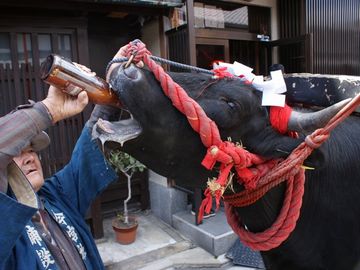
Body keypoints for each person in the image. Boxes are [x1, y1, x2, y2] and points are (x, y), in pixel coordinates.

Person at [0, 49, 126, 269]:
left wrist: (112, 78)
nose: (29, 158)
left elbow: (89, 151)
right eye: (17, 153)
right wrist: (51, 109)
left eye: (31, 150)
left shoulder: (55, 194)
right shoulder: (4, 223)